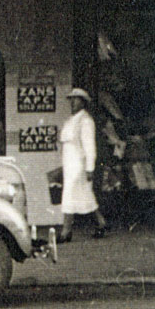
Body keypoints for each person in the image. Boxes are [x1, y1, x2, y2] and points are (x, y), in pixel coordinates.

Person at [58, 87, 108, 242]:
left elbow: (89, 146)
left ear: (83, 102)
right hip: (69, 164)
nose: (73, 102)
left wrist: (89, 168)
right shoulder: (71, 120)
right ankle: (101, 222)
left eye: (76, 99)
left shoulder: (85, 121)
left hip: (79, 165)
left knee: (70, 196)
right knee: (85, 196)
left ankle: (66, 231)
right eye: (71, 99)